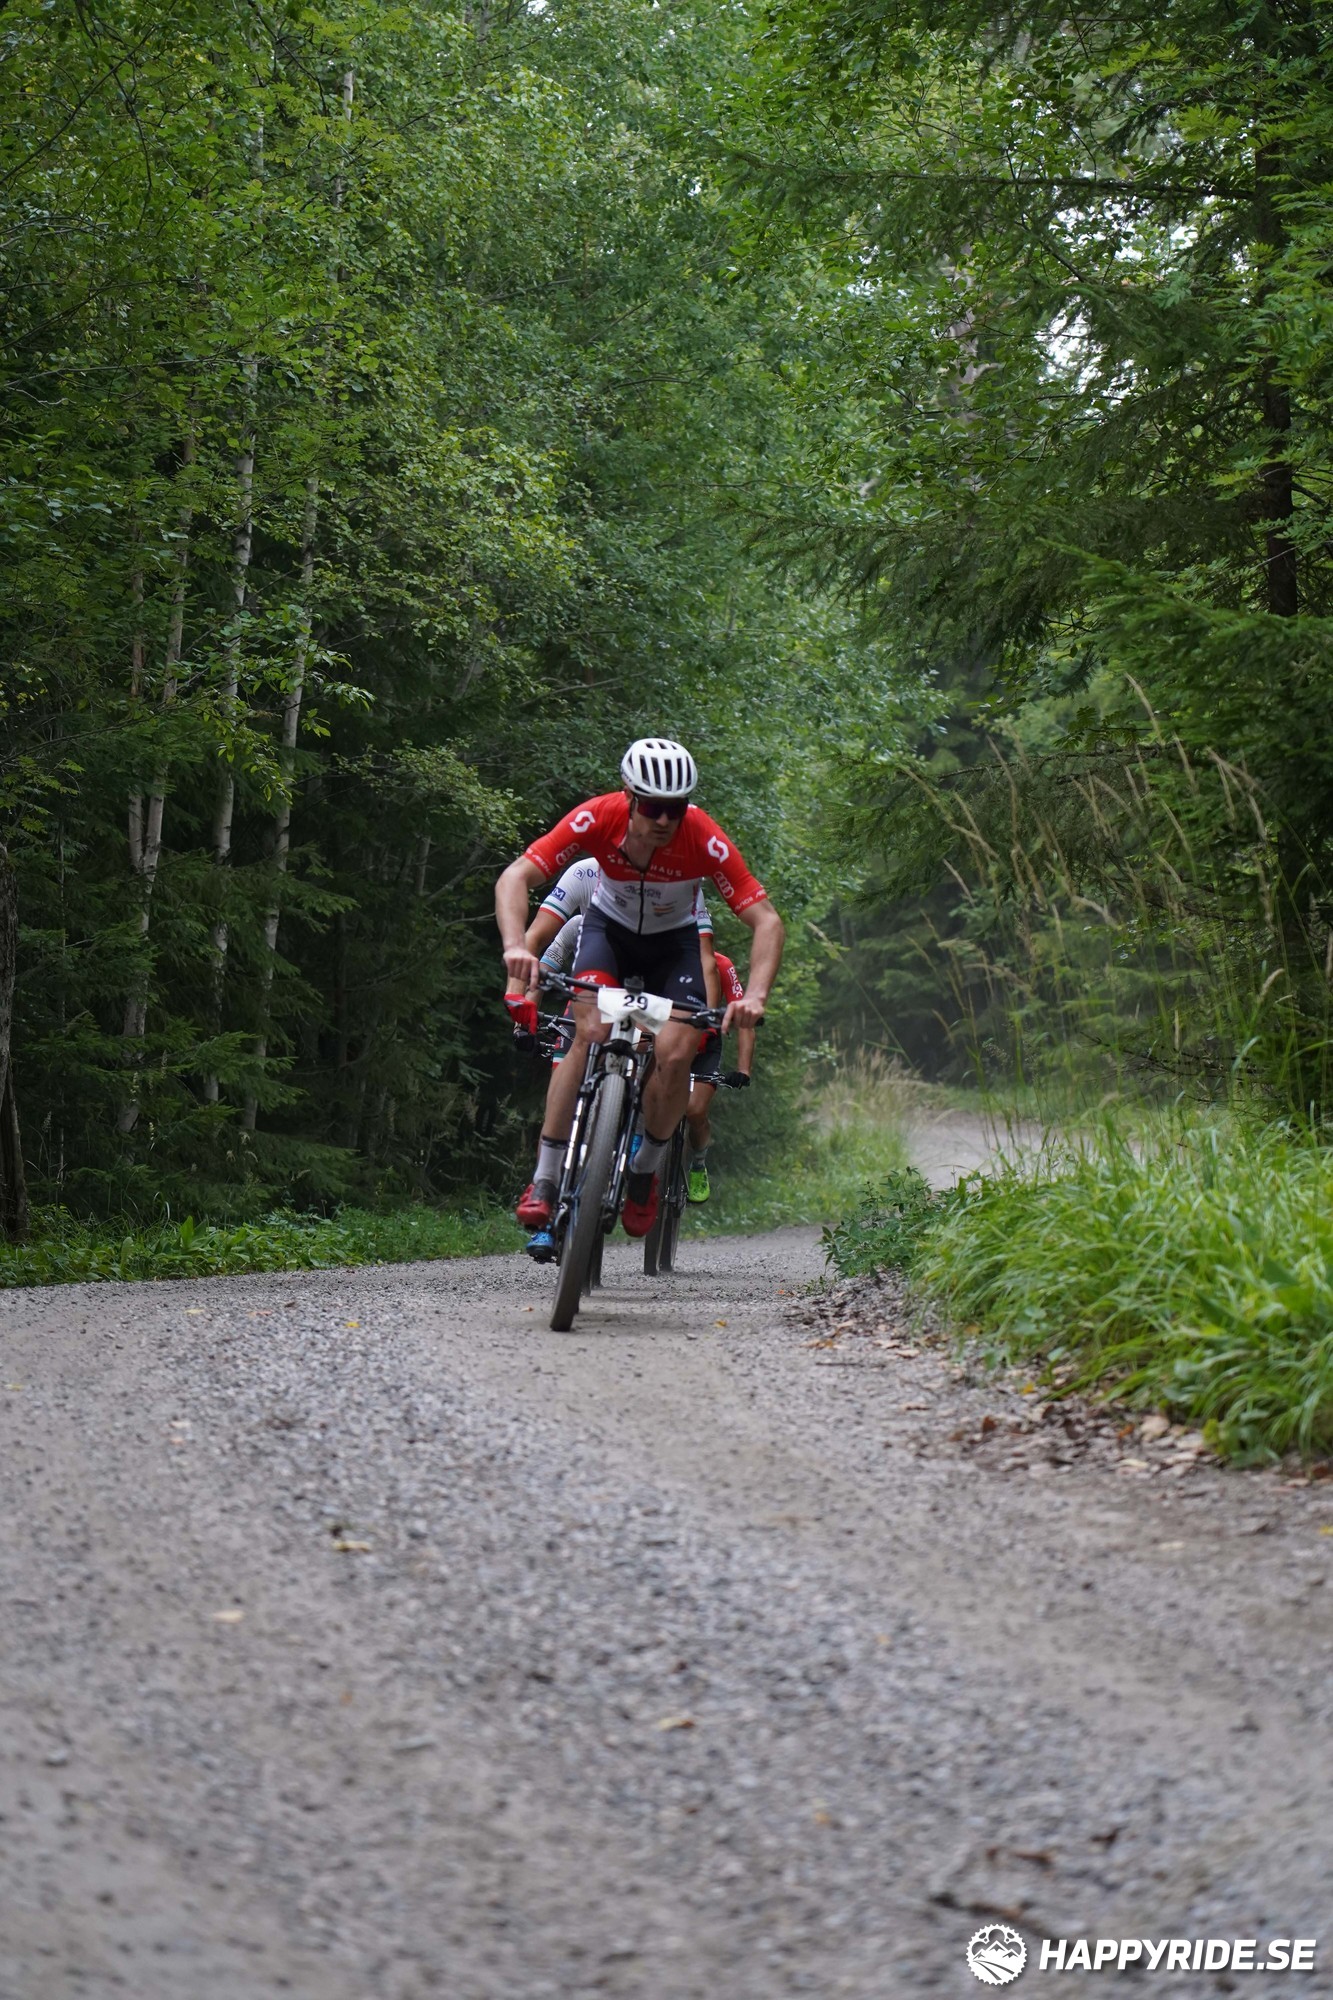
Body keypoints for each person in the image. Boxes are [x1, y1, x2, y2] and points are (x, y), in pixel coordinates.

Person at [495, 737, 782, 1240]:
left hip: (673, 948)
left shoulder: (702, 836)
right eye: (652, 807)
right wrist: (516, 947)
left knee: (676, 1053)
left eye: (675, 807)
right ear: (628, 796)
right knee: (587, 1034)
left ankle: (644, 1172)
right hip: (609, 936)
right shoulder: (597, 817)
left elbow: (766, 920)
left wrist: (755, 994)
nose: (665, 820)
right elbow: (516, 876)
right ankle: (544, 1180)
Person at [685, 947, 755, 1204]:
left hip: (705, 1047)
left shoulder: (721, 964)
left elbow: (744, 1018)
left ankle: (698, 1165)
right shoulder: (663, 952)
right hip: (665, 1041)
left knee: (695, 1111)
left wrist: (743, 1069)